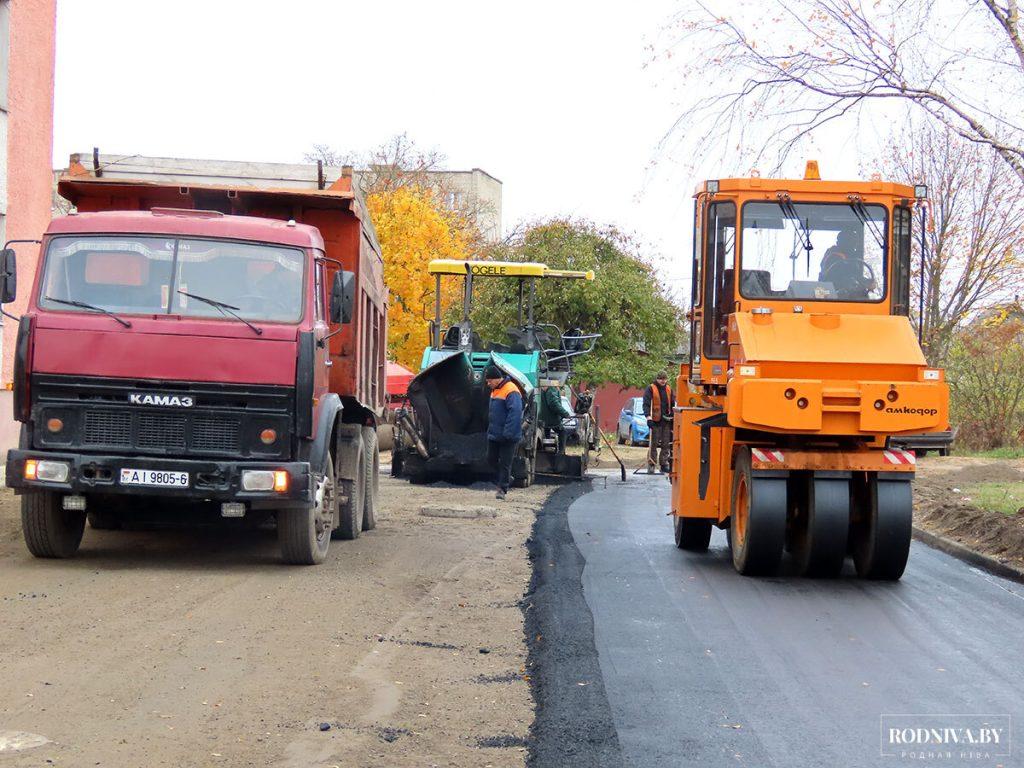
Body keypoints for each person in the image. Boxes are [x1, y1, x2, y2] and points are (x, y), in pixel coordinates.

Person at [485, 364, 523, 499]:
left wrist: (509, 432)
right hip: (494, 433)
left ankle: (502, 489)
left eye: (489, 381)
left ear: (496, 379)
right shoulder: (494, 390)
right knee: (491, 459)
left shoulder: (511, 390)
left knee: (505, 462)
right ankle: (506, 478)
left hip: (509, 435)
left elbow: (515, 412)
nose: (488, 383)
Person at [818, 229, 874, 299]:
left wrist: (867, 282)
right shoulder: (835, 256)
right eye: (852, 242)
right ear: (842, 242)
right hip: (830, 293)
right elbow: (844, 275)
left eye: (855, 242)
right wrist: (864, 281)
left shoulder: (849, 257)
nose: (855, 245)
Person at [642, 371, 673, 473]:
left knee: (666, 444)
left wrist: (673, 415)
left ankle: (664, 464)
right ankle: (651, 464)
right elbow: (646, 404)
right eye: (661, 379)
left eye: (664, 379)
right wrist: (648, 417)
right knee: (653, 444)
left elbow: (672, 403)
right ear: (657, 379)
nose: (663, 381)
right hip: (655, 420)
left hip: (666, 420)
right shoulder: (651, 388)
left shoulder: (669, 389)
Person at [540, 379, 574, 454]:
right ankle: (561, 453)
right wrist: (565, 413)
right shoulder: (552, 388)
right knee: (562, 432)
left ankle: (546, 451)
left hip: (544, 419)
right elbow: (554, 404)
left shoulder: (543, 388)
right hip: (552, 419)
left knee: (546, 434)